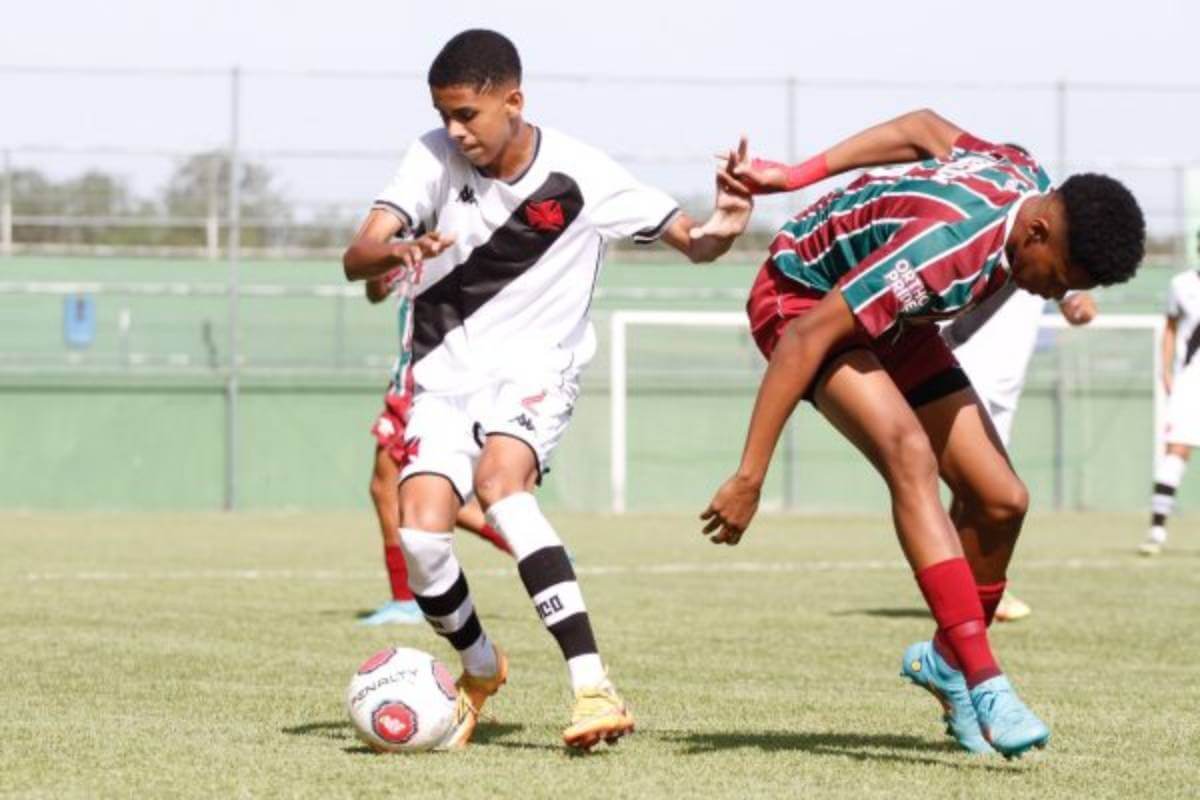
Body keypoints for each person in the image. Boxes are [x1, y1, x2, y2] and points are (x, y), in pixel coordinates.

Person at [342, 29, 750, 750]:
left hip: (536, 371)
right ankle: (479, 668)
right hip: (442, 373)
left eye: (467, 113)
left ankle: (593, 687)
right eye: (444, 114)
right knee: (420, 534)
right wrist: (399, 246)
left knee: (504, 486)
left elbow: (695, 241)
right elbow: (357, 255)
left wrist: (724, 221)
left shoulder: (580, 173)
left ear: (513, 100)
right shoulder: (431, 156)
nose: (454, 129)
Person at [701, 108, 1144, 757]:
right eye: (1057, 279)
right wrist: (750, 475)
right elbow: (805, 336)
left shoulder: (1023, 177)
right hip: (799, 297)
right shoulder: (946, 250)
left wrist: (794, 173)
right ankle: (984, 679)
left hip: (890, 318)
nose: (1050, 293)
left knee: (1000, 500)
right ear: (1040, 231)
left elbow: (921, 127)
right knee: (909, 455)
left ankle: (945, 661)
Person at [360, 265, 512, 626]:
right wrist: (380, 257)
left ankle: (405, 599)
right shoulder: (407, 249)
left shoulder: (447, 244)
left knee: (397, 490)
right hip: (416, 382)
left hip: (424, 384)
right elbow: (375, 291)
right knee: (412, 491)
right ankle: (524, 540)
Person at [943, 283, 1098, 621]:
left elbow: (1073, 300)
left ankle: (959, 584)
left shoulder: (1054, 254)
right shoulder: (1005, 238)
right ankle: (966, 586)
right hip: (965, 364)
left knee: (973, 491)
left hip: (1005, 381)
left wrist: (1078, 304)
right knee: (979, 487)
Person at [1140, 236, 1200, 555]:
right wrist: (1166, 371)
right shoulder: (1182, 285)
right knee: (1176, 450)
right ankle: (1157, 530)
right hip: (1191, 381)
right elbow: (1171, 328)